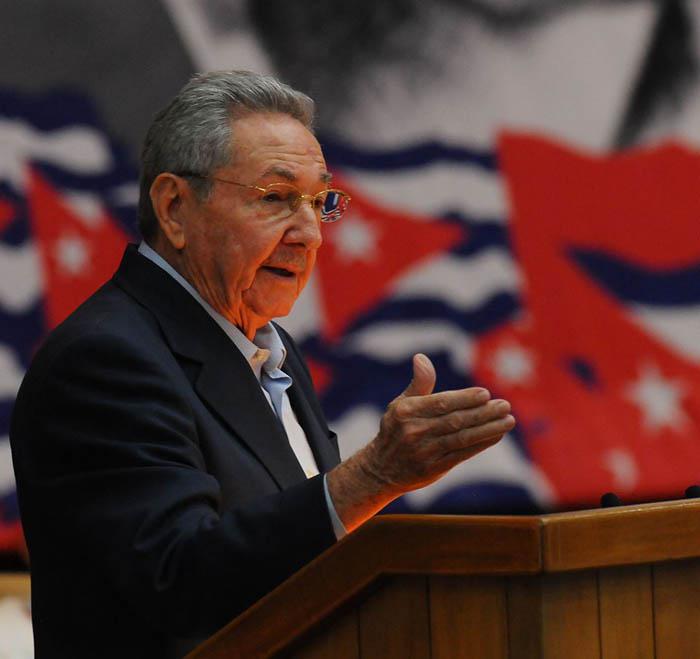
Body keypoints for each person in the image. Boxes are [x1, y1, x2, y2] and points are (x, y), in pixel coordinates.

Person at [10, 70, 515, 658]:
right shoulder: (103, 360)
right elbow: (180, 581)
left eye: (319, 202)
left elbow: (303, 562)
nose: (310, 235)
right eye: (275, 198)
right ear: (174, 207)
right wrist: (372, 478)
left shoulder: (270, 349)